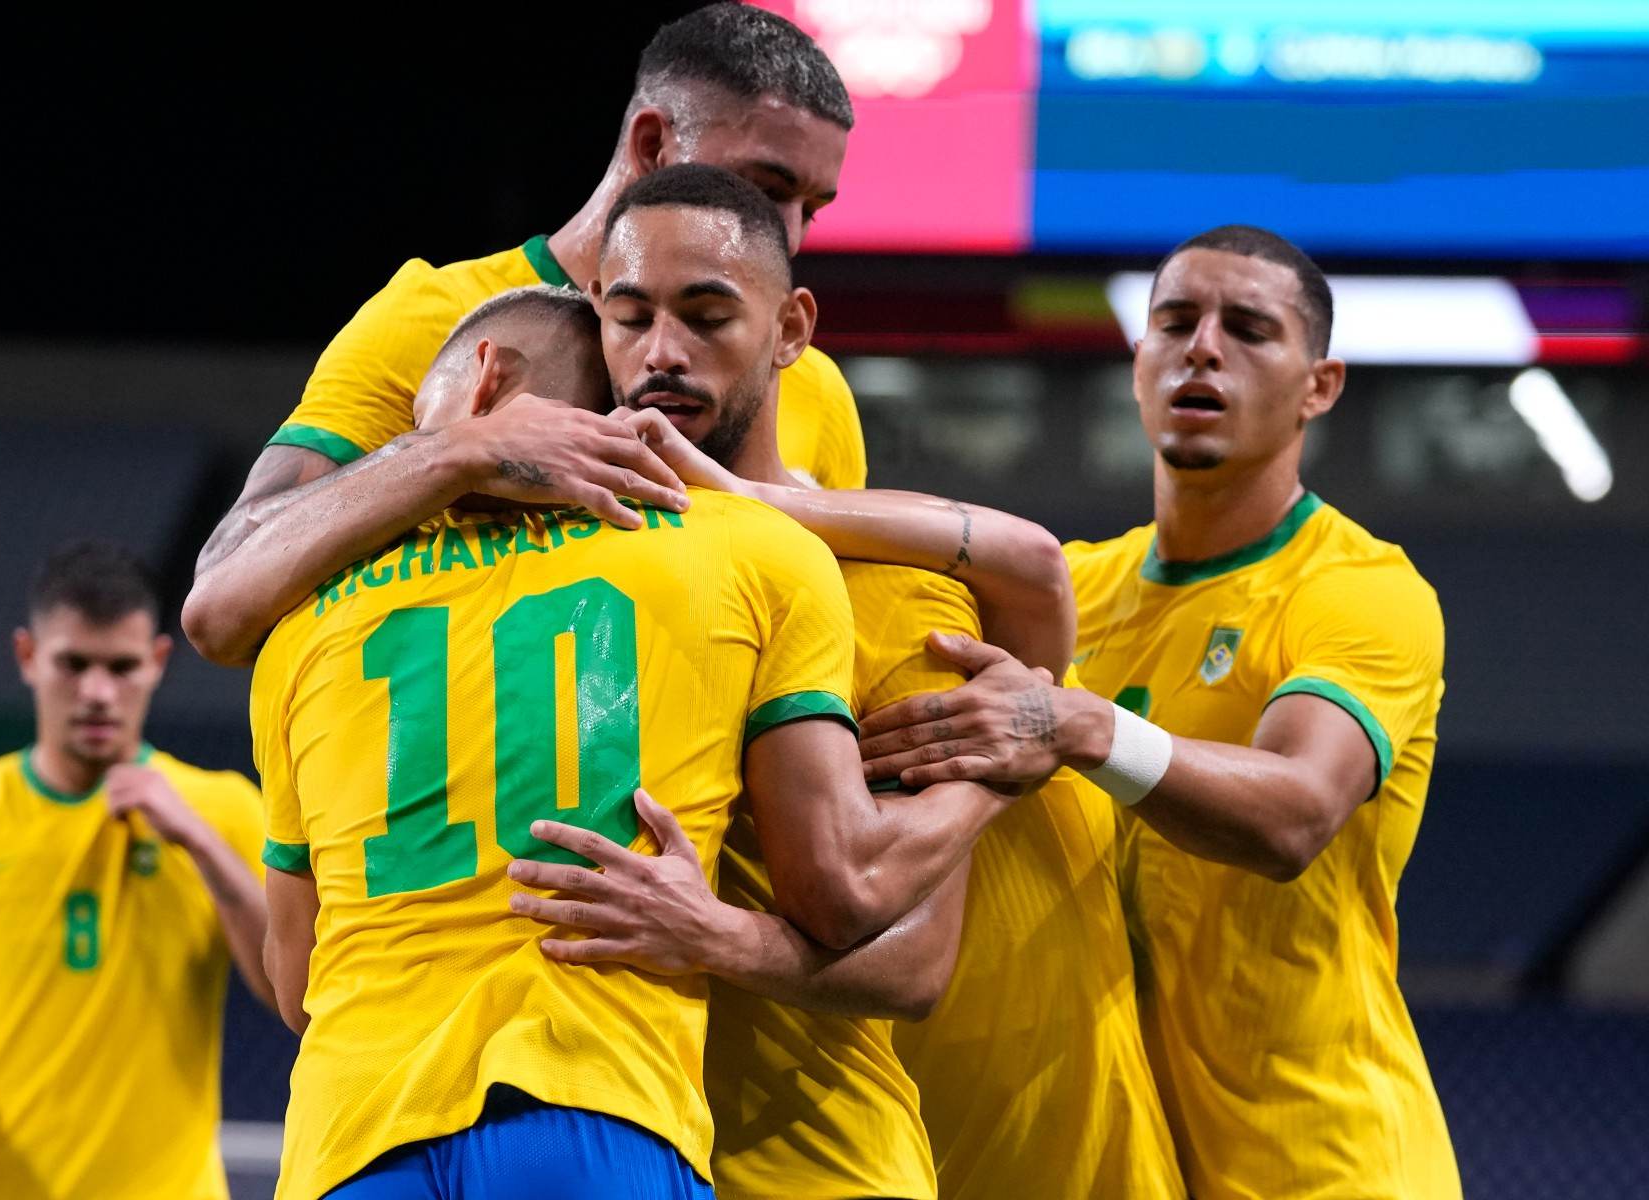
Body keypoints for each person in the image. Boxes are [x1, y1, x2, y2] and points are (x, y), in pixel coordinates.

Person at [251, 280, 1012, 1198]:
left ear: (484, 380)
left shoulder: (301, 626)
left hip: (351, 1137)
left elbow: (296, 985)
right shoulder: (745, 549)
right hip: (597, 1104)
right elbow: (848, 889)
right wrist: (1000, 767)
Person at [514, 163, 1183, 1200]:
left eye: (706, 316)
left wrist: (715, 937)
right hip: (611, 1148)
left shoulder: (887, 594)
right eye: (630, 316)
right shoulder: (558, 580)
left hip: (818, 1164)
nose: (660, 354)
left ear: (791, 330)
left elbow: (912, 964)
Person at [858, 225, 1460, 1199]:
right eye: (1174, 322)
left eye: (1250, 330)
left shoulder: (1361, 591)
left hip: (1327, 1161)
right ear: (1139, 361)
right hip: (1122, 1165)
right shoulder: (1073, 592)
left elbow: (1298, 813)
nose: (1203, 348)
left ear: (1320, 385)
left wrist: (1083, 727)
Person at [185, 2, 865, 667]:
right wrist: (455, 451)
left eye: (811, 206)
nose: (791, 233)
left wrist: (973, 691)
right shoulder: (430, 317)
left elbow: (843, 649)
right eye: (766, 186)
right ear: (653, 145)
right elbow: (221, 604)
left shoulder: (811, 386)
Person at [0, 542, 271, 1200]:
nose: (96, 692)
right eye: (73, 664)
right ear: (28, 657)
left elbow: (292, 991)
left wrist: (198, 841)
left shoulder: (221, 810)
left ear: (158, 664)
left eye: (121, 667)